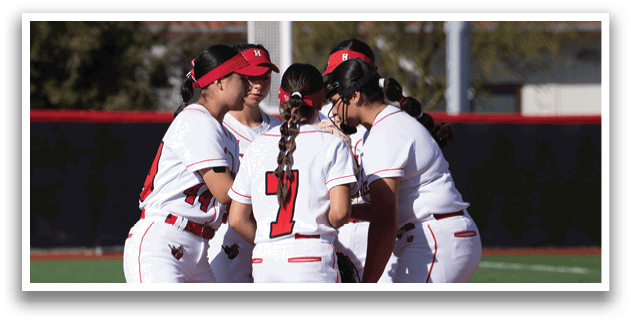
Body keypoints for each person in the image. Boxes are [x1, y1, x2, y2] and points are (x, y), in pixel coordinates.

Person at [326, 57, 482, 283]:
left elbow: (384, 219)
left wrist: (367, 283)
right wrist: (344, 208)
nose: (334, 110)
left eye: (335, 100)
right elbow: (383, 209)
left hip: (436, 237)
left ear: (355, 95)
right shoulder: (384, 126)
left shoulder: (385, 132)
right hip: (435, 234)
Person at [123, 44, 251, 283]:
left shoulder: (228, 136)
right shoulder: (196, 120)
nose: (249, 85)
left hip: (197, 247)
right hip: (162, 242)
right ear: (219, 81)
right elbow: (225, 192)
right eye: (242, 78)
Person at [227, 63, 358, 283]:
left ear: (281, 101)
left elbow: (237, 219)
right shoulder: (331, 144)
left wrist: (270, 241)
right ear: (320, 103)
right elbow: (341, 212)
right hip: (311, 257)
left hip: (265, 261)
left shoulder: (256, 147)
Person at [320, 38, 398, 283]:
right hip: (334, 225)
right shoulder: (318, 118)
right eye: (336, 74)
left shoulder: (383, 118)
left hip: (372, 224)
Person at [208, 44, 282, 283]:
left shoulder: (282, 129)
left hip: (273, 237)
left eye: (265, 77)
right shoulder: (217, 128)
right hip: (226, 241)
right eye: (250, 77)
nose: (258, 85)